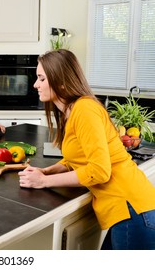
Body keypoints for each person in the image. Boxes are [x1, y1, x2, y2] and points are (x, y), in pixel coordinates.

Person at [18, 49, 155, 250]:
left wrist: (44, 181)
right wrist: (46, 171)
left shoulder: (85, 110)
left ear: (61, 81)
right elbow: (76, 158)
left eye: (41, 78)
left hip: (131, 208)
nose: (35, 84)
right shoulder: (72, 111)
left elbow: (99, 171)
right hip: (128, 211)